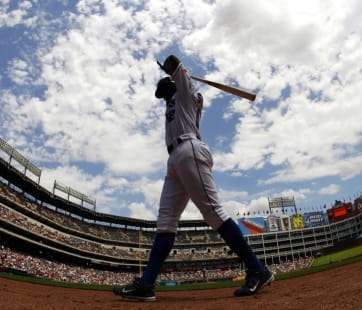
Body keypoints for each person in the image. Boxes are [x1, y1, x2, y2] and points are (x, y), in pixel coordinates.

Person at [113, 55, 273, 301]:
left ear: (177, 81)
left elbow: (174, 62)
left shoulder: (188, 94)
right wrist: (169, 80)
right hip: (175, 159)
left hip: (190, 150)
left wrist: (174, 69)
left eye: (168, 85)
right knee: (166, 222)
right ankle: (146, 285)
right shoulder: (173, 100)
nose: (163, 91)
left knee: (213, 213)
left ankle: (257, 269)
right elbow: (167, 85)